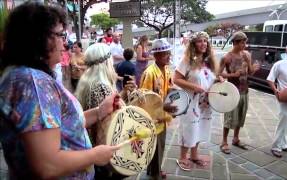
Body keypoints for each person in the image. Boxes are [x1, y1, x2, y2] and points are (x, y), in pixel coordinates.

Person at [0, 2, 121, 179]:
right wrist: (95, 155)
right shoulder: (33, 83)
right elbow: (47, 165)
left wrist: (99, 112)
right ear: (38, 37)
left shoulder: (22, 75)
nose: (65, 44)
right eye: (60, 35)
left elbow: (61, 125)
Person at [75, 43, 136, 179]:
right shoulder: (102, 87)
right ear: (107, 61)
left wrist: (124, 92)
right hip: (102, 153)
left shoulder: (87, 82)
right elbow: (115, 122)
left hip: (91, 149)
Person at [174, 31, 222, 171]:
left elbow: (209, 79)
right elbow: (176, 79)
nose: (203, 44)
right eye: (200, 41)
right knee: (188, 128)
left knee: (200, 127)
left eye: (205, 41)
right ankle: (183, 157)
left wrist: (218, 79)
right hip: (190, 103)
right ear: (194, 44)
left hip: (205, 104)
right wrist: (194, 87)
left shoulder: (208, 62)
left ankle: (194, 155)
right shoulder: (187, 61)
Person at [140, 39, 177, 179]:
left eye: (169, 53)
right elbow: (144, 100)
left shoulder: (166, 69)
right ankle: (155, 174)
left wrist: (172, 95)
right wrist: (164, 105)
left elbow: (169, 88)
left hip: (163, 116)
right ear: (156, 56)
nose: (168, 56)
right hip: (153, 118)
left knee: (159, 145)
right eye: (165, 54)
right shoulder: (149, 73)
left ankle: (154, 169)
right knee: (156, 146)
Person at [218, 31, 259, 154]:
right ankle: (224, 141)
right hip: (232, 91)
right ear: (235, 42)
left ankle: (236, 138)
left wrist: (254, 68)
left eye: (245, 42)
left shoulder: (246, 54)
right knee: (230, 117)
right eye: (242, 42)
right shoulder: (227, 57)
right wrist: (232, 74)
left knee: (241, 116)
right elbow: (218, 74)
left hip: (245, 90)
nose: (245, 45)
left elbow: (250, 72)